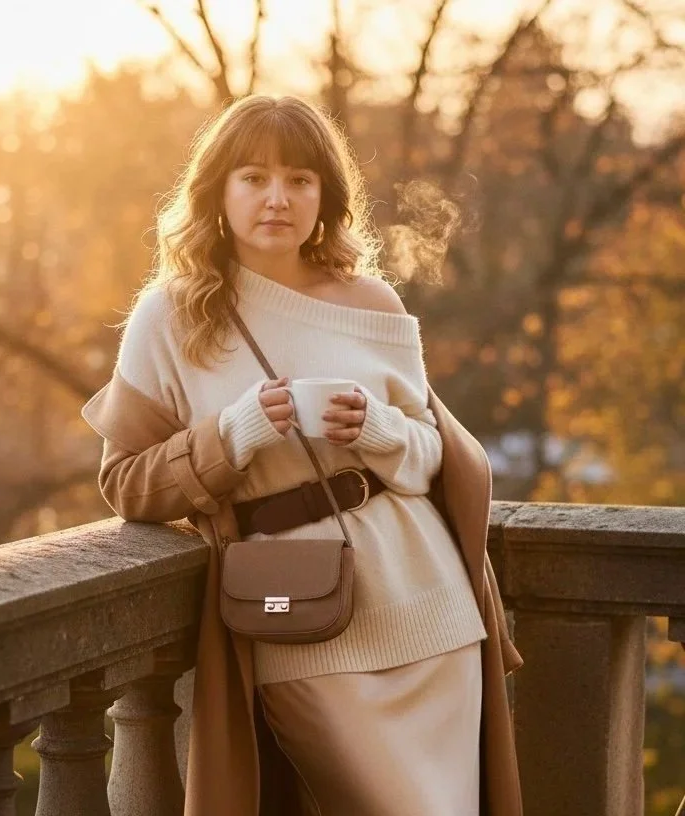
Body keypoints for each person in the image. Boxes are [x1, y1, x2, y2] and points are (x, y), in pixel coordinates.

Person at [81, 94, 523, 816]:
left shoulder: (373, 302)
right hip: (298, 614)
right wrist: (235, 433)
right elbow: (125, 481)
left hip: (427, 600)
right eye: (253, 177)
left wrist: (379, 430)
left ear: (328, 196)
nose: (277, 199)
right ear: (218, 190)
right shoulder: (171, 315)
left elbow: (427, 457)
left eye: (300, 180)